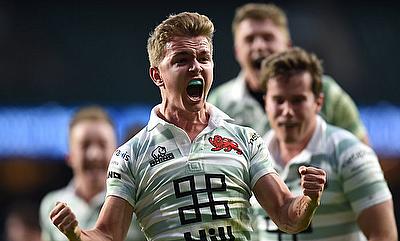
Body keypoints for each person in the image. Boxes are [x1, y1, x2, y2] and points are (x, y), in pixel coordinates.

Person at [48, 12, 327, 241]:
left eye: (203, 58)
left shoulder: (245, 139)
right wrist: (76, 234)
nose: (196, 67)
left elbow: (285, 215)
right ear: (157, 75)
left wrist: (308, 200)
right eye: (182, 60)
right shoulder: (130, 157)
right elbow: (108, 235)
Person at [253, 47, 397, 240]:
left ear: (318, 102)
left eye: (298, 100)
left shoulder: (350, 153)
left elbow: (383, 235)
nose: (287, 111)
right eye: (279, 100)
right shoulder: (252, 155)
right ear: (266, 103)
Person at [207, 3, 369, 144]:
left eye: (268, 37)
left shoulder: (325, 92)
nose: (259, 46)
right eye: (249, 39)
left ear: (288, 45)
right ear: (237, 51)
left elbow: (361, 157)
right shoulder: (218, 105)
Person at [39, 106, 146, 241]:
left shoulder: (136, 203)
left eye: (102, 144)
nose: (94, 155)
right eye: (85, 145)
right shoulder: (51, 204)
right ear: (69, 156)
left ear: (116, 153)